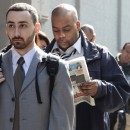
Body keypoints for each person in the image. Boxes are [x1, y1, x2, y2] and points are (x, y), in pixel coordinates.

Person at [45, 3, 130, 130]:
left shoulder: (100, 55)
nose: (61, 35)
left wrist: (100, 89)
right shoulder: (43, 57)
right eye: (56, 30)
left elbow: (123, 93)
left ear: (77, 25)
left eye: (66, 29)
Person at [0, 3, 74, 130]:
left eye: (23, 25)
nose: (16, 32)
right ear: (6, 29)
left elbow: (62, 124)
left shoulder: (57, 68)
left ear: (37, 28)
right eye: (11, 25)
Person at [110, 42, 130, 130]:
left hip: (126, 111)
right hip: (111, 108)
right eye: (128, 52)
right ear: (122, 50)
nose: (128, 55)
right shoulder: (111, 64)